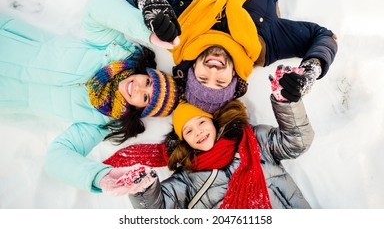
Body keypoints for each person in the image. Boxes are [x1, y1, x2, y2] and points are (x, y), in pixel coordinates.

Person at [110, 0, 338, 113]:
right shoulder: (264, 45)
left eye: (202, 78)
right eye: (220, 82)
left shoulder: (176, 27)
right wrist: (312, 69)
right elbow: (324, 37)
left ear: (192, 69)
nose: (213, 70)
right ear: (233, 80)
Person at [0, 0, 179, 192]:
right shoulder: (112, 52)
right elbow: (96, 7)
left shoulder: (100, 122)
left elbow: (56, 157)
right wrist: (148, 33)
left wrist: (100, 177)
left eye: (145, 97)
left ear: (139, 109)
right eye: (147, 81)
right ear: (143, 72)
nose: (138, 87)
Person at [100, 65, 314, 208]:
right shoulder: (188, 176)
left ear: (213, 121)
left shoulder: (253, 141)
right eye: (189, 131)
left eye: (201, 122)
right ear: (184, 141)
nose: (199, 132)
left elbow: (297, 142)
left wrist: (286, 101)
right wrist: (143, 188)